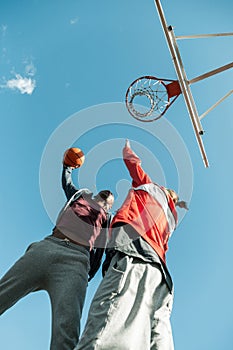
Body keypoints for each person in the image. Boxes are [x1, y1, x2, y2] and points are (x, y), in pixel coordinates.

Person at [74, 139, 188, 350]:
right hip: (160, 273)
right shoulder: (171, 217)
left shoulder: (152, 189)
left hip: (133, 253)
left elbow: (132, 163)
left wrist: (126, 147)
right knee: (157, 333)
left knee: (104, 330)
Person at [0, 154, 114, 350]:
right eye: (104, 193)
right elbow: (66, 183)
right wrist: (68, 166)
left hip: (76, 262)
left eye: (109, 198)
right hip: (48, 247)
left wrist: (97, 275)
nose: (106, 195)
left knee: (66, 333)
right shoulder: (80, 196)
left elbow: (107, 251)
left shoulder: (108, 219)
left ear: (110, 205)